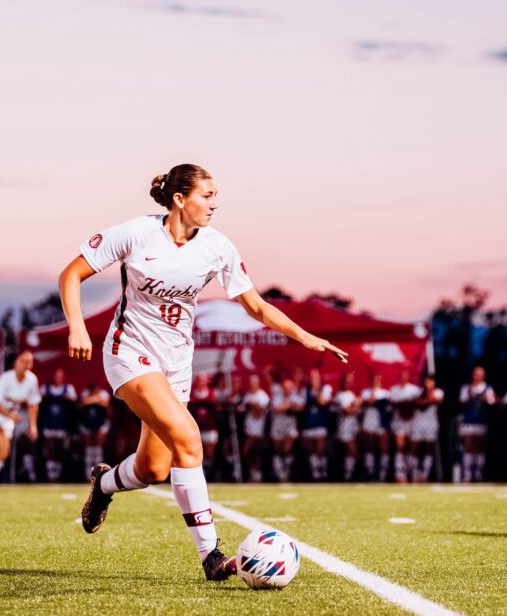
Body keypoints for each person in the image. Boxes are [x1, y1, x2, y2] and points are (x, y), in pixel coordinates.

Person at [60, 164, 347, 581]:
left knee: (153, 470)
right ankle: (211, 556)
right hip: (130, 354)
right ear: (181, 199)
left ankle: (103, 485)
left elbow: (257, 307)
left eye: (216, 196)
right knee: (189, 439)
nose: (215, 203)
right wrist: (77, 327)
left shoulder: (217, 246)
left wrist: (306, 337)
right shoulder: (136, 234)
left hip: (177, 364)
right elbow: (71, 274)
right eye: (207, 195)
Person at [0, 351, 41, 492]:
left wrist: (33, 425)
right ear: (16, 362)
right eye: (22, 360)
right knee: (2, 450)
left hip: (7, 419)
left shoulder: (32, 380)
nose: (24, 364)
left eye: (28, 361)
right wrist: (11, 416)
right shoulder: (6, 378)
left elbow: (33, 404)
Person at [458, 366, 497, 483]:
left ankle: (478, 473)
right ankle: (467, 474)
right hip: (468, 420)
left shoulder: (488, 388)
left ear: (483, 375)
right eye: (476, 374)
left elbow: (492, 403)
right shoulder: (466, 388)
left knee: (480, 447)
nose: (478, 376)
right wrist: (470, 397)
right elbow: (461, 402)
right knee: (468, 446)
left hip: (481, 420)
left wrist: (486, 400)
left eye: (480, 374)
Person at [39, 368, 78, 482]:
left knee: (60, 450)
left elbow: (75, 407)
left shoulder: (69, 389)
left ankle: (58, 474)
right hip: (48, 422)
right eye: (56, 375)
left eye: (60, 375)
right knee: (49, 448)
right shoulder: (44, 389)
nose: (58, 377)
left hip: (62, 423)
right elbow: (37, 404)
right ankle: (50, 475)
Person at [300, 368, 333, 482]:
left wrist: (317, 390)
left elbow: (322, 402)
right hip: (309, 422)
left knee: (320, 448)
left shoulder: (325, 389)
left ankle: (323, 471)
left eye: (315, 377)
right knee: (312, 449)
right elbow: (302, 405)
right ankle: (315, 473)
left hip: (320, 422)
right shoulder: (306, 390)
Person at [410, 375, 444, 482]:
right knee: (414, 448)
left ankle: (425, 474)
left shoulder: (438, 392)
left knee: (428, 449)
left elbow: (433, 401)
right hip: (418, 423)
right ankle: (414, 474)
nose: (428, 384)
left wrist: (427, 398)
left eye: (430, 382)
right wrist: (426, 399)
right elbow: (418, 403)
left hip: (431, 423)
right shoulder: (417, 392)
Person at [390, 371, 421, 484]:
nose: (403, 378)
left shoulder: (414, 390)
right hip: (399, 420)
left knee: (412, 448)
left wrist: (409, 404)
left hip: (412, 421)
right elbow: (393, 404)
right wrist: (403, 404)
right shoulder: (394, 390)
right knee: (400, 446)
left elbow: (418, 402)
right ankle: (400, 473)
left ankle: (412, 472)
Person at [188, 374, 221, 479]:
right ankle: (200, 472)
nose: (201, 382)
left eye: (203, 380)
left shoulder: (212, 393)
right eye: (200, 380)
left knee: (209, 452)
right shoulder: (191, 393)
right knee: (197, 451)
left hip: (210, 427)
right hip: (196, 428)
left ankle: (210, 472)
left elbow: (218, 408)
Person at [270, 378, 302, 483]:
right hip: (278, 426)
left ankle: (287, 471)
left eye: (290, 388)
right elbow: (276, 408)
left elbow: (301, 407)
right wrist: (289, 405)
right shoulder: (277, 397)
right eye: (286, 388)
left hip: (290, 427)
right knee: (277, 450)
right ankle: (279, 472)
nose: (288, 390)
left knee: (287, 449)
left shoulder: (295, 397)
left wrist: (287, 406)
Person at [360, 375, 392, 481]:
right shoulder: (366, 392)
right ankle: (370, 472)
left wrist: (375, 401)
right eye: (374, 380)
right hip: (369, 421)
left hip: (381, 422)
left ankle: (383, 474)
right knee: (369, 447)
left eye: (378, 380)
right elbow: (365, 403)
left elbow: (386, 406)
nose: (376, 382)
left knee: (384, 448)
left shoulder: (385, 393)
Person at [239, 375, 270, 482]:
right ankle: (251, 473)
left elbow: (259, 413)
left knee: (256, 451)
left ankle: (257, 473)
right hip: (248, 428)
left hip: (258, 430)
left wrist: (252, 405)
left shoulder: (263, 396)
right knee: (248, 452)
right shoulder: (248, 395)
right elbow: (241, 409)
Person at [78, 383, 112, 474]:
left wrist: (91, 399)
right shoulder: (85, 393)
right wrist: (97, 399)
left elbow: (105, 403)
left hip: (100, 422)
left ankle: (98, 471)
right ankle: (88, 472)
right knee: (88, 446)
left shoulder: (104, 393)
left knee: (98, 445)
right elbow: (83, 401)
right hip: (87, 422)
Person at [333, 373, 361, 481]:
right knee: (350, 451)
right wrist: (356, 404)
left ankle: (348, 473)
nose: (348, 383)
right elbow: (347, 411)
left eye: (350, 380)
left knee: (351, 452)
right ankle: (346, 475)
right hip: (344, 426)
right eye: (346, 380)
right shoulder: (340, 395)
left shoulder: (352, 394)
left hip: (353, 426)